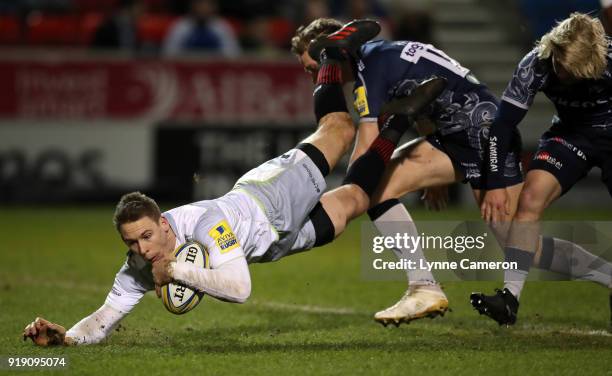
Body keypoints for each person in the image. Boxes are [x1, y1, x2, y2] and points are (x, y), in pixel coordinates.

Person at [22, 22, 447, 346]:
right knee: (357, 198)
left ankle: (334, 57)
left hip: (271, 197)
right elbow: (107, 314)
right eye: (133, 243)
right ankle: (398, 124)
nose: (143, 249)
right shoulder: (141, 261)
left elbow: (240, 290)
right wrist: (69, 338)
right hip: (278, 242)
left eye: (147, 237)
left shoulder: (207, 224)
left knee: (337, 129)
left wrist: (177, 270)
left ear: (165, 225)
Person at [292, 18, 526, 326]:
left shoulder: (370, 68)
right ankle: (424, 287)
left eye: (314, 68)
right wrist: (431, 153)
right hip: (455, 134)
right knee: (378, 190)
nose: (317, 78)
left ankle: (604, 272)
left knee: (515, 238)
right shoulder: (379, 56)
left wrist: (345, 198)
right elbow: (428, 93)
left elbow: (366, 150)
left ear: (334, 50)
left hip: (484, 135)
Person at [471, 13, 612, 325]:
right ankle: (509, 299)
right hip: (571, 135)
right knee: (530, 198)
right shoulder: (535, 63)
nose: (567, 76)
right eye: (564, 68)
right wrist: (495, 183)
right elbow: (502, 126)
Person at [162, 0, 240, 57]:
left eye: (207, 4)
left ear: (214, 7)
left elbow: (233, 55)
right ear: (193, 5)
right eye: (200, 4)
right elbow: (169, 54)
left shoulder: (222, 26)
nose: (203, 8)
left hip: (215, 70)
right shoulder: (181, 26)